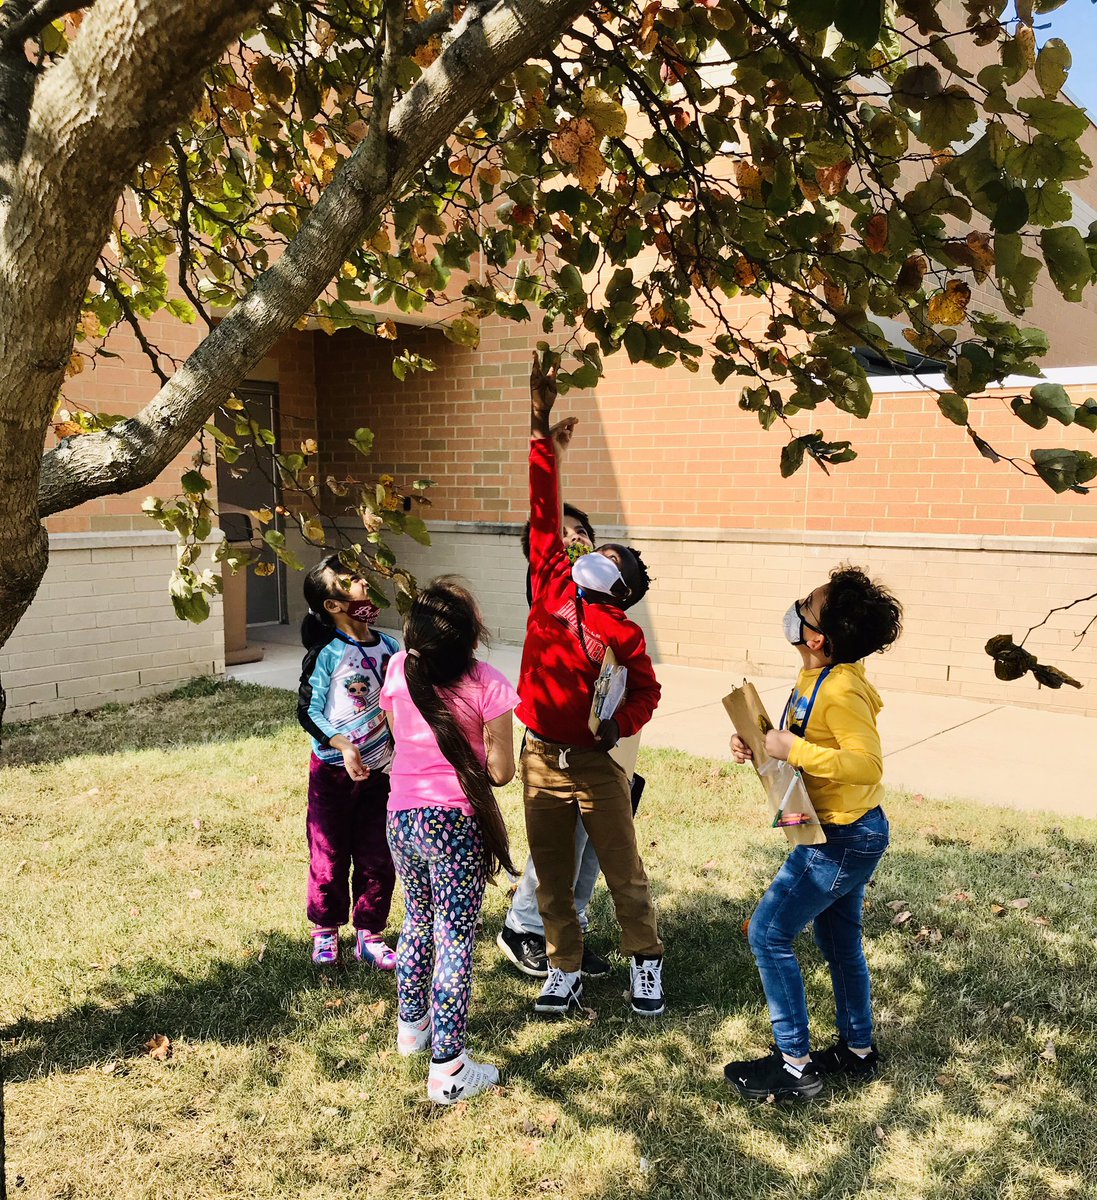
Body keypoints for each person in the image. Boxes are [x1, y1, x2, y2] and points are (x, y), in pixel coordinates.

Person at [517, 351, 666, 1018]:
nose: (591, 560)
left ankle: (645, 963)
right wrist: (539, 425)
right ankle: (563, 969)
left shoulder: (623, 634)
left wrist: (616, 724)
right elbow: (543, 507)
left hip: (594, 765)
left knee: (622, 872)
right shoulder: (550, 583)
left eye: (607, 559)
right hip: (537, 756)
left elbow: (646, 694)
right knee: (551, 876)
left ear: (625, 590)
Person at [724, 566, 903, 1101]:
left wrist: (789, 749)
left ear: (818, 638)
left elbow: (865, 766)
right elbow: (796, 741)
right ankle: (857, 1050)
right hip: (838, 830)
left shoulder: (842, 689)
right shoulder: (818, 677)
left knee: (768, 932)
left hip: (841, 839)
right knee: (837, 937)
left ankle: (795, 1065)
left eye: (805, 605)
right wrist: (759, 745)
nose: (795, 607)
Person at [380, 579, 520, 1105]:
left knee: (417, 920)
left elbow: (398, 738)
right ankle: (450, 1070)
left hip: (401, 817)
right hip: (454, 823)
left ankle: (412, 1030)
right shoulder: (489, 684)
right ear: (471, 639)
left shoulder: (398, 671)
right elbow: (502, 772)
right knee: (456, 937)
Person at [297, 555, 401, 968]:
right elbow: (308, 710)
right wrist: (342, 745)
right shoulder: (327, 654)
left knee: (379, 852)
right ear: (333, 605)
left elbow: (404, 705)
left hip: (384, 772)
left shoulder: (391, 648)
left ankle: (369, 934)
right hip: (333, 774)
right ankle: (325, 932)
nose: (363, 583)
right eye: (350, 580)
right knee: (329, 852)